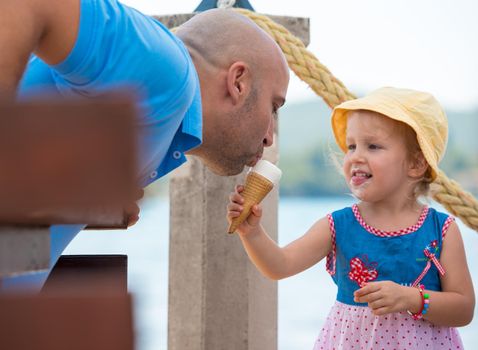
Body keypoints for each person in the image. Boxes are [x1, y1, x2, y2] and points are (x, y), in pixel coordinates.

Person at [0, 0, 289, 290]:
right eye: (273, 107)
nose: (269, 137)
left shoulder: (156, 121)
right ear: (238, 82)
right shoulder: (167, 71)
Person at [227, 87, 475, 349]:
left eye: (373, 146)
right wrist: (252, 233)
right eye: (351, 146)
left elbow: (464, 308)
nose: (356, 156)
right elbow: (280, 265)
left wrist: (412, 298)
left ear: (416, 163)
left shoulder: (442, 229)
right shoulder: (339, 225)